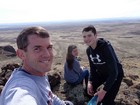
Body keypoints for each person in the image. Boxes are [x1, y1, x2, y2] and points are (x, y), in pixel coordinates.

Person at [0, 26, 73, 105]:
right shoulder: (20, 85)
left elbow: (49, 96)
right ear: (21, 54)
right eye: (37, 49)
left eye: (49, 47)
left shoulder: (39, 73)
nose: (47, 55)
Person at [82, 25, 124, 105]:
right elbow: (93, 68)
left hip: (115, 75)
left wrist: (104, 91)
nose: (87, 39)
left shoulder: (105, 47)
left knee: (107, 101)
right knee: (88, 91)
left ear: (95, 35)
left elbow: (114, 72)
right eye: (84, 36)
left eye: (89, 35)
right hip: (103, 74)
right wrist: (90, 82)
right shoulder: (88, 51)